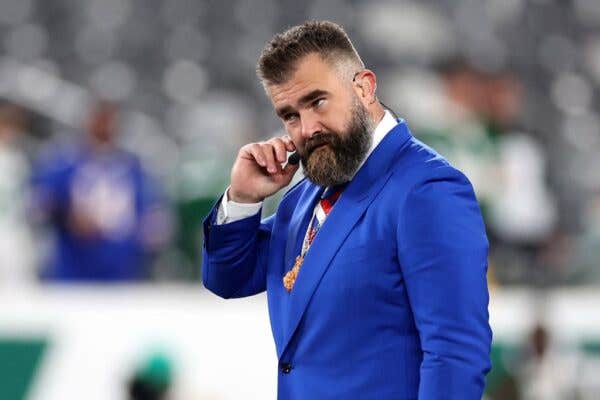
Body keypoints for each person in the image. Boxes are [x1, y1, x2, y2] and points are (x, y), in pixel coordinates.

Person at [202, 20, 492, 399]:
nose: (306, 128)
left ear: (364, 87)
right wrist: (242, 200)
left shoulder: (427, 190)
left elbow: (455, 354)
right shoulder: (303, 198)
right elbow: (229, 278)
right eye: (290, 115)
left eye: (317, 102)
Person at [30, 101, 170, 281]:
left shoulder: (133, 169)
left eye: (109, 122)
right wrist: (68, 216)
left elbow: (156, 221)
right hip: (74, 266)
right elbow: (39, 206)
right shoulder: (64, 166)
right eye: (99, 121)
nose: (104, 128)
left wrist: (139, 235)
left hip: (121, 268)